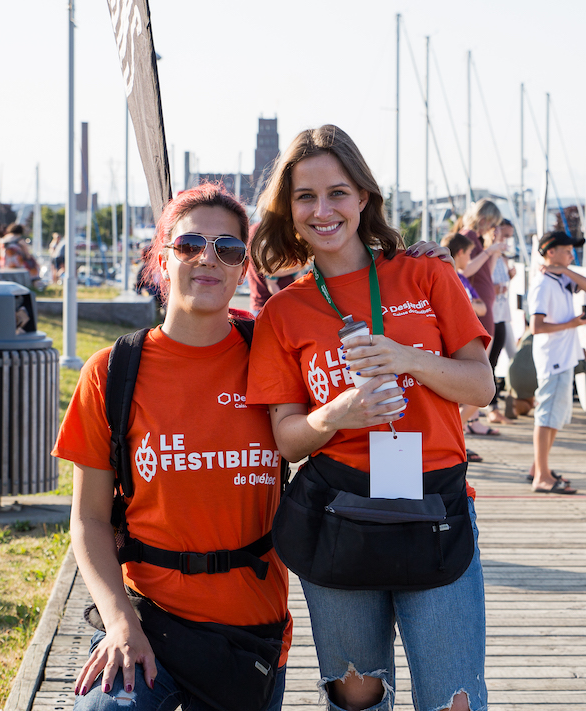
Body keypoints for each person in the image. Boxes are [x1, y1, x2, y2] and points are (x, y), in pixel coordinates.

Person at [246, 124, 493, 711]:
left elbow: (481, 386)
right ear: (289, 209)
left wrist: (408, 358)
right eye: (305, 196)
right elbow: (285, 440)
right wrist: (340, 413)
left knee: (453, 700)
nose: (322, 209)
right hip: (340, 514)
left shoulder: (426, 274)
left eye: (338, 192)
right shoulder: (284, 312)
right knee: (357, 696)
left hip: (435, 505)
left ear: (363, 198)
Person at [53, 184, 293, 710]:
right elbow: (89, 519)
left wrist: (408, 265)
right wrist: (118, 622)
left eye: (228, 249)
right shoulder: (112, 373)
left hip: (247, 633)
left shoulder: (272, 357)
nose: (208, 258)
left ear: (241, 267)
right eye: (188, 245)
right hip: (148, 624)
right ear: (161, 255)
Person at [527, 231, 586, 495]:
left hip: (562, 357)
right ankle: (542, 476)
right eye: (567, 250)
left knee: (554, 417)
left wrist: (564, 269)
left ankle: (538, 468)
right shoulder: (543, 283)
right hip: (553, 358)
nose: (572, 255)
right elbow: (536, 326)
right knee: (546, 417)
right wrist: (572, 324)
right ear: (551, 251)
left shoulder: (560, 279)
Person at [457, 198, 504, 436]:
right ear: (484, 218)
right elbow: (467, 269)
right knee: (480, 372)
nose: (491, 227)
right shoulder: (469, 236)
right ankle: (461, 422)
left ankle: (469, 421)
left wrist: (494, 249)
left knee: (481, 368)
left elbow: (485, 271)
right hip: (480, 311)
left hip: (486, 306)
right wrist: (488, 250)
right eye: (492, 222)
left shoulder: (476, 238)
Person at [487, 219, 516, 424]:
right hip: (490, 316)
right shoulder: (487, 255)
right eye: (504, 235)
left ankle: (493, 407)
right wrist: (493, 289)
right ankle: (491, 408)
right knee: (489, 364)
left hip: (502, 315)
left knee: (497, 361)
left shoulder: (503, 258)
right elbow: (476, 283)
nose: (506, 240)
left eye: (509, 236)